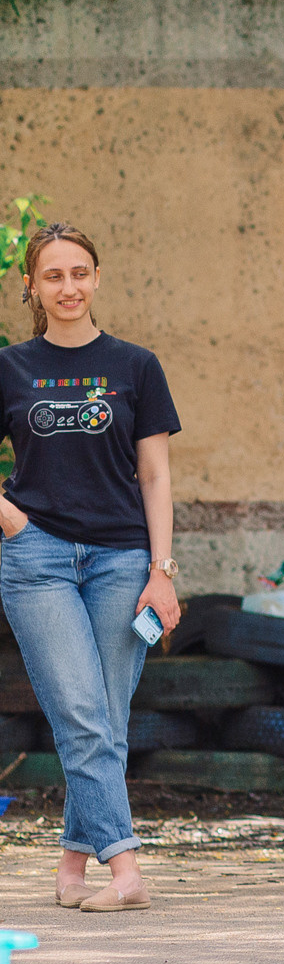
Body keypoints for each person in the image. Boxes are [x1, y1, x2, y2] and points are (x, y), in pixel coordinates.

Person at [1, 223, 182, 913]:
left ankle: (74, 863)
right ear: (33, 286)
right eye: (54, 276)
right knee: (81, 711)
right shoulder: (10, 366)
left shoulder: (137, 366)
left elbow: (156, 475)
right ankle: (126, 869)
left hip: (122, 560)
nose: (68, 287)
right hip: (37, 558)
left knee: (104, 716)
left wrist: (160, 569)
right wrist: (12, 519)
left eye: (80, 273)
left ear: (98, 278)